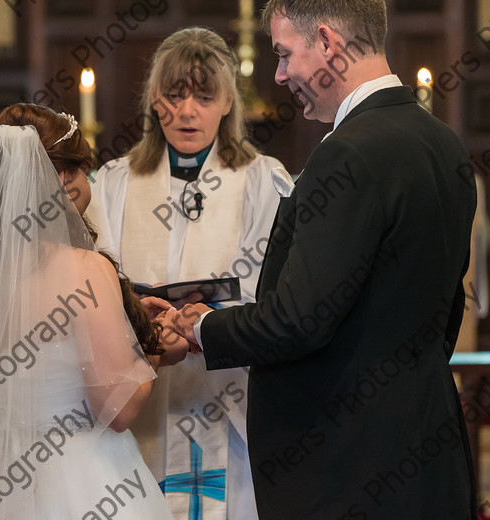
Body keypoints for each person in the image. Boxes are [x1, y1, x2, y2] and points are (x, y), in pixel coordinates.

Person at [172, 1, 478, 518]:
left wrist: (204, 327)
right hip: (430, 449)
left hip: (348, 465)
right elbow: (444, 314)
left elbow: (299, 319)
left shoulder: (349, 152)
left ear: (328, 44)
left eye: (286, 54)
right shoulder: (444, 144)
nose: (280, 74)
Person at [0, 103, 188, 519]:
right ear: (65, 178)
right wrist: (156, 349)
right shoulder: (87, 270)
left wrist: (122, 320)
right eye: (85, 169)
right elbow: (119, 410)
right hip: (85, 478)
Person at [86, 27, 283, 520]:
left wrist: (202, 326)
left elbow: (272, 284)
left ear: (227, 104)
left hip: (227, 394)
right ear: (155, 101)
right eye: (175, 95)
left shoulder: (263, 181)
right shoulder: (115, 183)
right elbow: (96, 283)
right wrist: (147, 328)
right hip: (143, 395)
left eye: (203, 95)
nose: (188, 111)